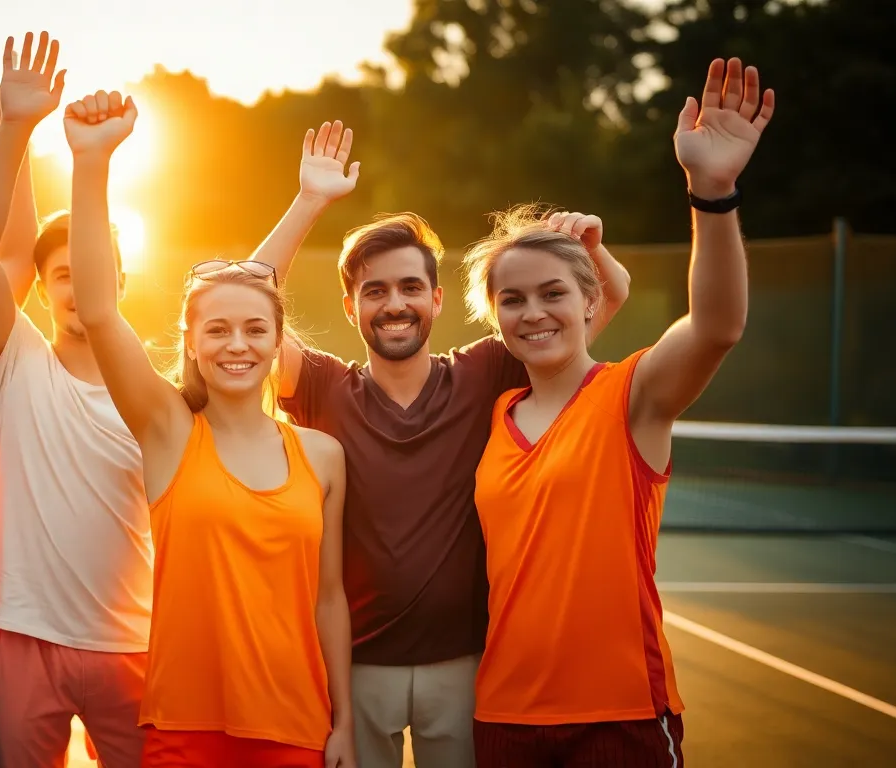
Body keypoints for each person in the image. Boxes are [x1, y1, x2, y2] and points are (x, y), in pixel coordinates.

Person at [246, 128, 631, 767]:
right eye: (375, 291)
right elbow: (250, 294)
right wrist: (309, 201)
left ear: (436, 299)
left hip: (467, 666)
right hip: (355, 668)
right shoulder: (320, 385)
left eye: (409, 287)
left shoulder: (487, 371)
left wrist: (593, 250)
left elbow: (604, 299)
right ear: (350, 308)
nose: (394, 303)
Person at [465, 57, 774, 766]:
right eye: (512, 299)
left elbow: (718, 323)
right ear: (493, 315)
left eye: (553, 293)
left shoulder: (632, 396)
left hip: (620, 718)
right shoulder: (492, 413)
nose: (533, 312)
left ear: (589, 302)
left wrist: (713, 193)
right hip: (502, 717)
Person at [63, 89, 356, 768]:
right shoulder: (168, 431)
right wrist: (90, 163)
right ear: (190, 343)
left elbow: (330, 599)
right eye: (216, 329)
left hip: (296, 728)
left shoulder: (324, 456)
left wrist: (340, 721)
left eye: (256, 329)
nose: (237, 344)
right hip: (184, 731)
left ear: (280, 342)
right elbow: (101, 310)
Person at [0, 32, 152, 768]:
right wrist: (16, 129)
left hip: (132, 641)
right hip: (21, 635)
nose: (73, 286)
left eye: (87, 271)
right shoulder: (11, 362)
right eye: (56, 273)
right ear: (41, 286)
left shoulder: (151, 391)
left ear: (116, 280)